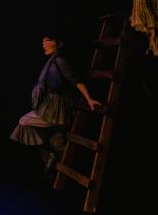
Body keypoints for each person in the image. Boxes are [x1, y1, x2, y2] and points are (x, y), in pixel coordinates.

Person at [10, 34, 102, 176]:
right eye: (43, 41)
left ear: (59, 44)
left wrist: (88, 98)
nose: (44, 44)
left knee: (25, 123)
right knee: (26, 125)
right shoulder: (52, 61)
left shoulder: (60, 61)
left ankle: (50, 153)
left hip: (58, 105)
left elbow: (75, 80)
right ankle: (48, 155)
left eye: (48, 41)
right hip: (50, 103)